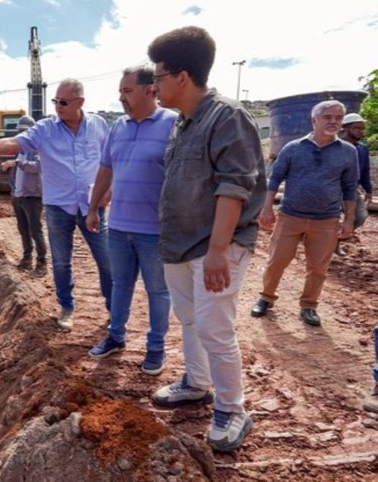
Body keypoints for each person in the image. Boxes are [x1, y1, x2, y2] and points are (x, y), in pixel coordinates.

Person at [147, 26, 266, 452]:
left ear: (182, 76)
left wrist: (218, 251)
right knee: (191, 321)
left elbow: (235, 186)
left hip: (215, 247)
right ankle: (197, 383)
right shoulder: (184, 124)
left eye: (158, 76)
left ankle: (233, 409)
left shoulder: (227, 117)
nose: (153, 85)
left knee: (216, 329)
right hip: (179, 244)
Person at [0, 78, 112, 330]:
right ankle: (66, 307)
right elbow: (10, 143)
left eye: (64, 102)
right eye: (56, 101)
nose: (58, 106)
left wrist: (108, 191)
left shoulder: (99, 125)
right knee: (61, 261)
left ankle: (115, 309)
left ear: (80, 102)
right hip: (59, 206)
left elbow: (110, 159)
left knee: (107, 260)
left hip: (92, 205)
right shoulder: (45, 129)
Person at [85, 66, 177, 376]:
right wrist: (94, 207)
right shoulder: (118, 127)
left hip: (155, 229)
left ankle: (155, 347)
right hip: (119, 225)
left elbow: (182, 177)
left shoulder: (173, 124)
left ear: (150, 90)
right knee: (120, 284)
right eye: (121, 91)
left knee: (157, 290)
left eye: (127, 91)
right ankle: (115, 335)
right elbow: (105, 170)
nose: (121, 96)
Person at [251, 100, 358, 327]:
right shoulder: (293, 148)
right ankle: (266, 298)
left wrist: (348, 219)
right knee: (276, 261)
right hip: (290, 216)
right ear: (314, 120)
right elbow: (275, 179)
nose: (333, 122)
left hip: (326, 220)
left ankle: (309, 306)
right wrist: (267, 208)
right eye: (327, 117)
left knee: (318, 267)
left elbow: (350, 188)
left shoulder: (348, 152)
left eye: (338, 118)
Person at [0, 115, 48, 277]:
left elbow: (39, 167)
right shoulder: (20, 151)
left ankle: (42, 263)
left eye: (24, 131)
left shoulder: (37, 149)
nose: (22, 135)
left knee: (36, 231)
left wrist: (17, 163)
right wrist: (14, 191)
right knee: (23, 230)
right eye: (20, 132)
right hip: (19, 196)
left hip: (32, 197)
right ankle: (27, 258)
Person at [335, 112, 373, 255]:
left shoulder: (362, 149)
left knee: (360, 216)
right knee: (330, 218)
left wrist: (368, 190)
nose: (361, 131)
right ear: (345, 128)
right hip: (332, 187)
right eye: (357, 128)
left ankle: (335, 240)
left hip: (351, 189)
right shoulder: (334, 146)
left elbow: (364, 171)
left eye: (362, 128)